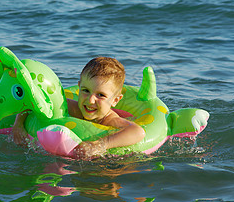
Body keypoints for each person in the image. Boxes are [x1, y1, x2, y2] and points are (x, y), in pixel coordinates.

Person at [12, 57, 146, 159]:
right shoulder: (73, 108)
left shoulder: (110, 120)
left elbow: (138, 131)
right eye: (86, 90)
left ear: (115, 100)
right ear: (78, 87)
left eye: (101, 95)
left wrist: (102, 144)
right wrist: (18, 124)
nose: (90, 100)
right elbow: (34, 103)